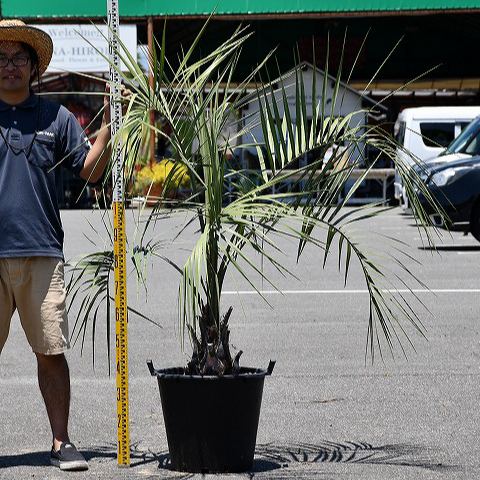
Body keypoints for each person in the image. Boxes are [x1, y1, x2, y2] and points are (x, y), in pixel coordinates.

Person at [0, 19, 112, 471]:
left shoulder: (57, 118)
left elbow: (91, 171)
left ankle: (61, 441)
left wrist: (107, 132)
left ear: (33, 67)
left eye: (18, 59)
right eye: (2, 59)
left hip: (42, 251)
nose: (10, 66)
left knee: (50, 351)